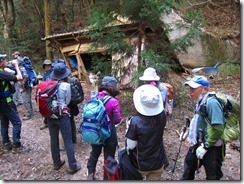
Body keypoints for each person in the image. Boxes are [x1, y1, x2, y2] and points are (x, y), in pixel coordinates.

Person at [180, 75, 225, 180]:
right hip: (198, 142)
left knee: (213, 176)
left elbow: (218, 129)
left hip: (212, 147)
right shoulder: (200, 101)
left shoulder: (212, 103)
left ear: (205, 89)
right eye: (190, 88)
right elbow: (199, 119)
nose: (190, 92)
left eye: (193, 89)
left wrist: (206, 146)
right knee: (188, 168)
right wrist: (188, 132)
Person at [125, 84, 167, 180]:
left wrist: (128, 129)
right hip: (158, 161)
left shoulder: (135, 122)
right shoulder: (162, 116)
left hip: (140, 163)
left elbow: (131, 145)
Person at [46, 62, 81, 173]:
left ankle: (56, 163)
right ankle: (72, 166)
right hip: (62, 115)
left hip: (50, 115)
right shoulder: (66, 86)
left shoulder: (48, 84)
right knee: (67, 140)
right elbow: (67, 101)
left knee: (54, 139)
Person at [86, 76, 123, 180]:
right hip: (109, 133)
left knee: (95, 152)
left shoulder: (92, 98)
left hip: (95, 132)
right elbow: (117, 119)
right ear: (113, 87)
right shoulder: (113, 101)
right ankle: (107, 178)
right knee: (109, 157)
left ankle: (90, 173)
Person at [139, 67, 169, 168]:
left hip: (159, 116)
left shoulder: (162, 88)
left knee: (158, 136)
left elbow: (160, 101)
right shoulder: (145, 86)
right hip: (146, 114)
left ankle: (162, 159)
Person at [0, 54, 24, 154]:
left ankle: (6, 144)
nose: (6, 61)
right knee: (17, 122)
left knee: (4, 122)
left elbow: (12, 73)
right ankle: (16, 145)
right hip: (6, 102)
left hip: (0, 103)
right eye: (4, 60)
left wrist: (11, 67)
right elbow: (19, 77)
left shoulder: (3, 71)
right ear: (1, 62)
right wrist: (17, 66)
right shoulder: (1, 73)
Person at [40, 59, 53, 130]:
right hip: (46, 92)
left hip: (53, 91)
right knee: (46, 106)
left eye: (49, 65)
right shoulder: (45, 74)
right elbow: (43, 82)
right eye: (46, 65)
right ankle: (46, 122)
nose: (47, 66)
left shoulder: (54, 72)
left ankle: (53, 122)